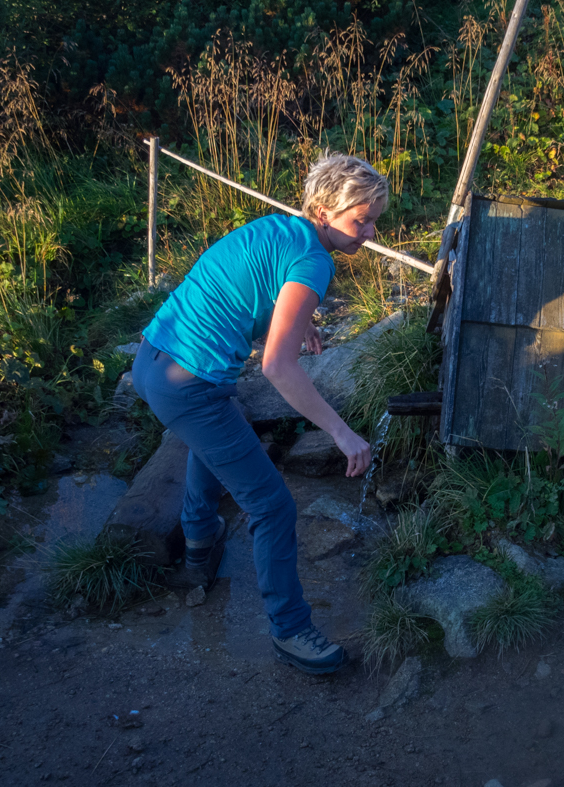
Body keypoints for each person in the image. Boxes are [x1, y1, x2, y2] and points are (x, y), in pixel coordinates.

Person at [130, 153, 386, 675]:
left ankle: (200, 546)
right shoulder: (316, 261)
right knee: (273, 507)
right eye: (360, 219)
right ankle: (290, 630)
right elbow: (276, 366)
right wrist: (341, 432)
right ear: (323, 210)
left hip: (153, 360)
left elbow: (250, 286)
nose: (371, 232)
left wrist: (297, 323)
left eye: (375, 218)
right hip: (190, 386)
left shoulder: (277, 229)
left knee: (223, 430)